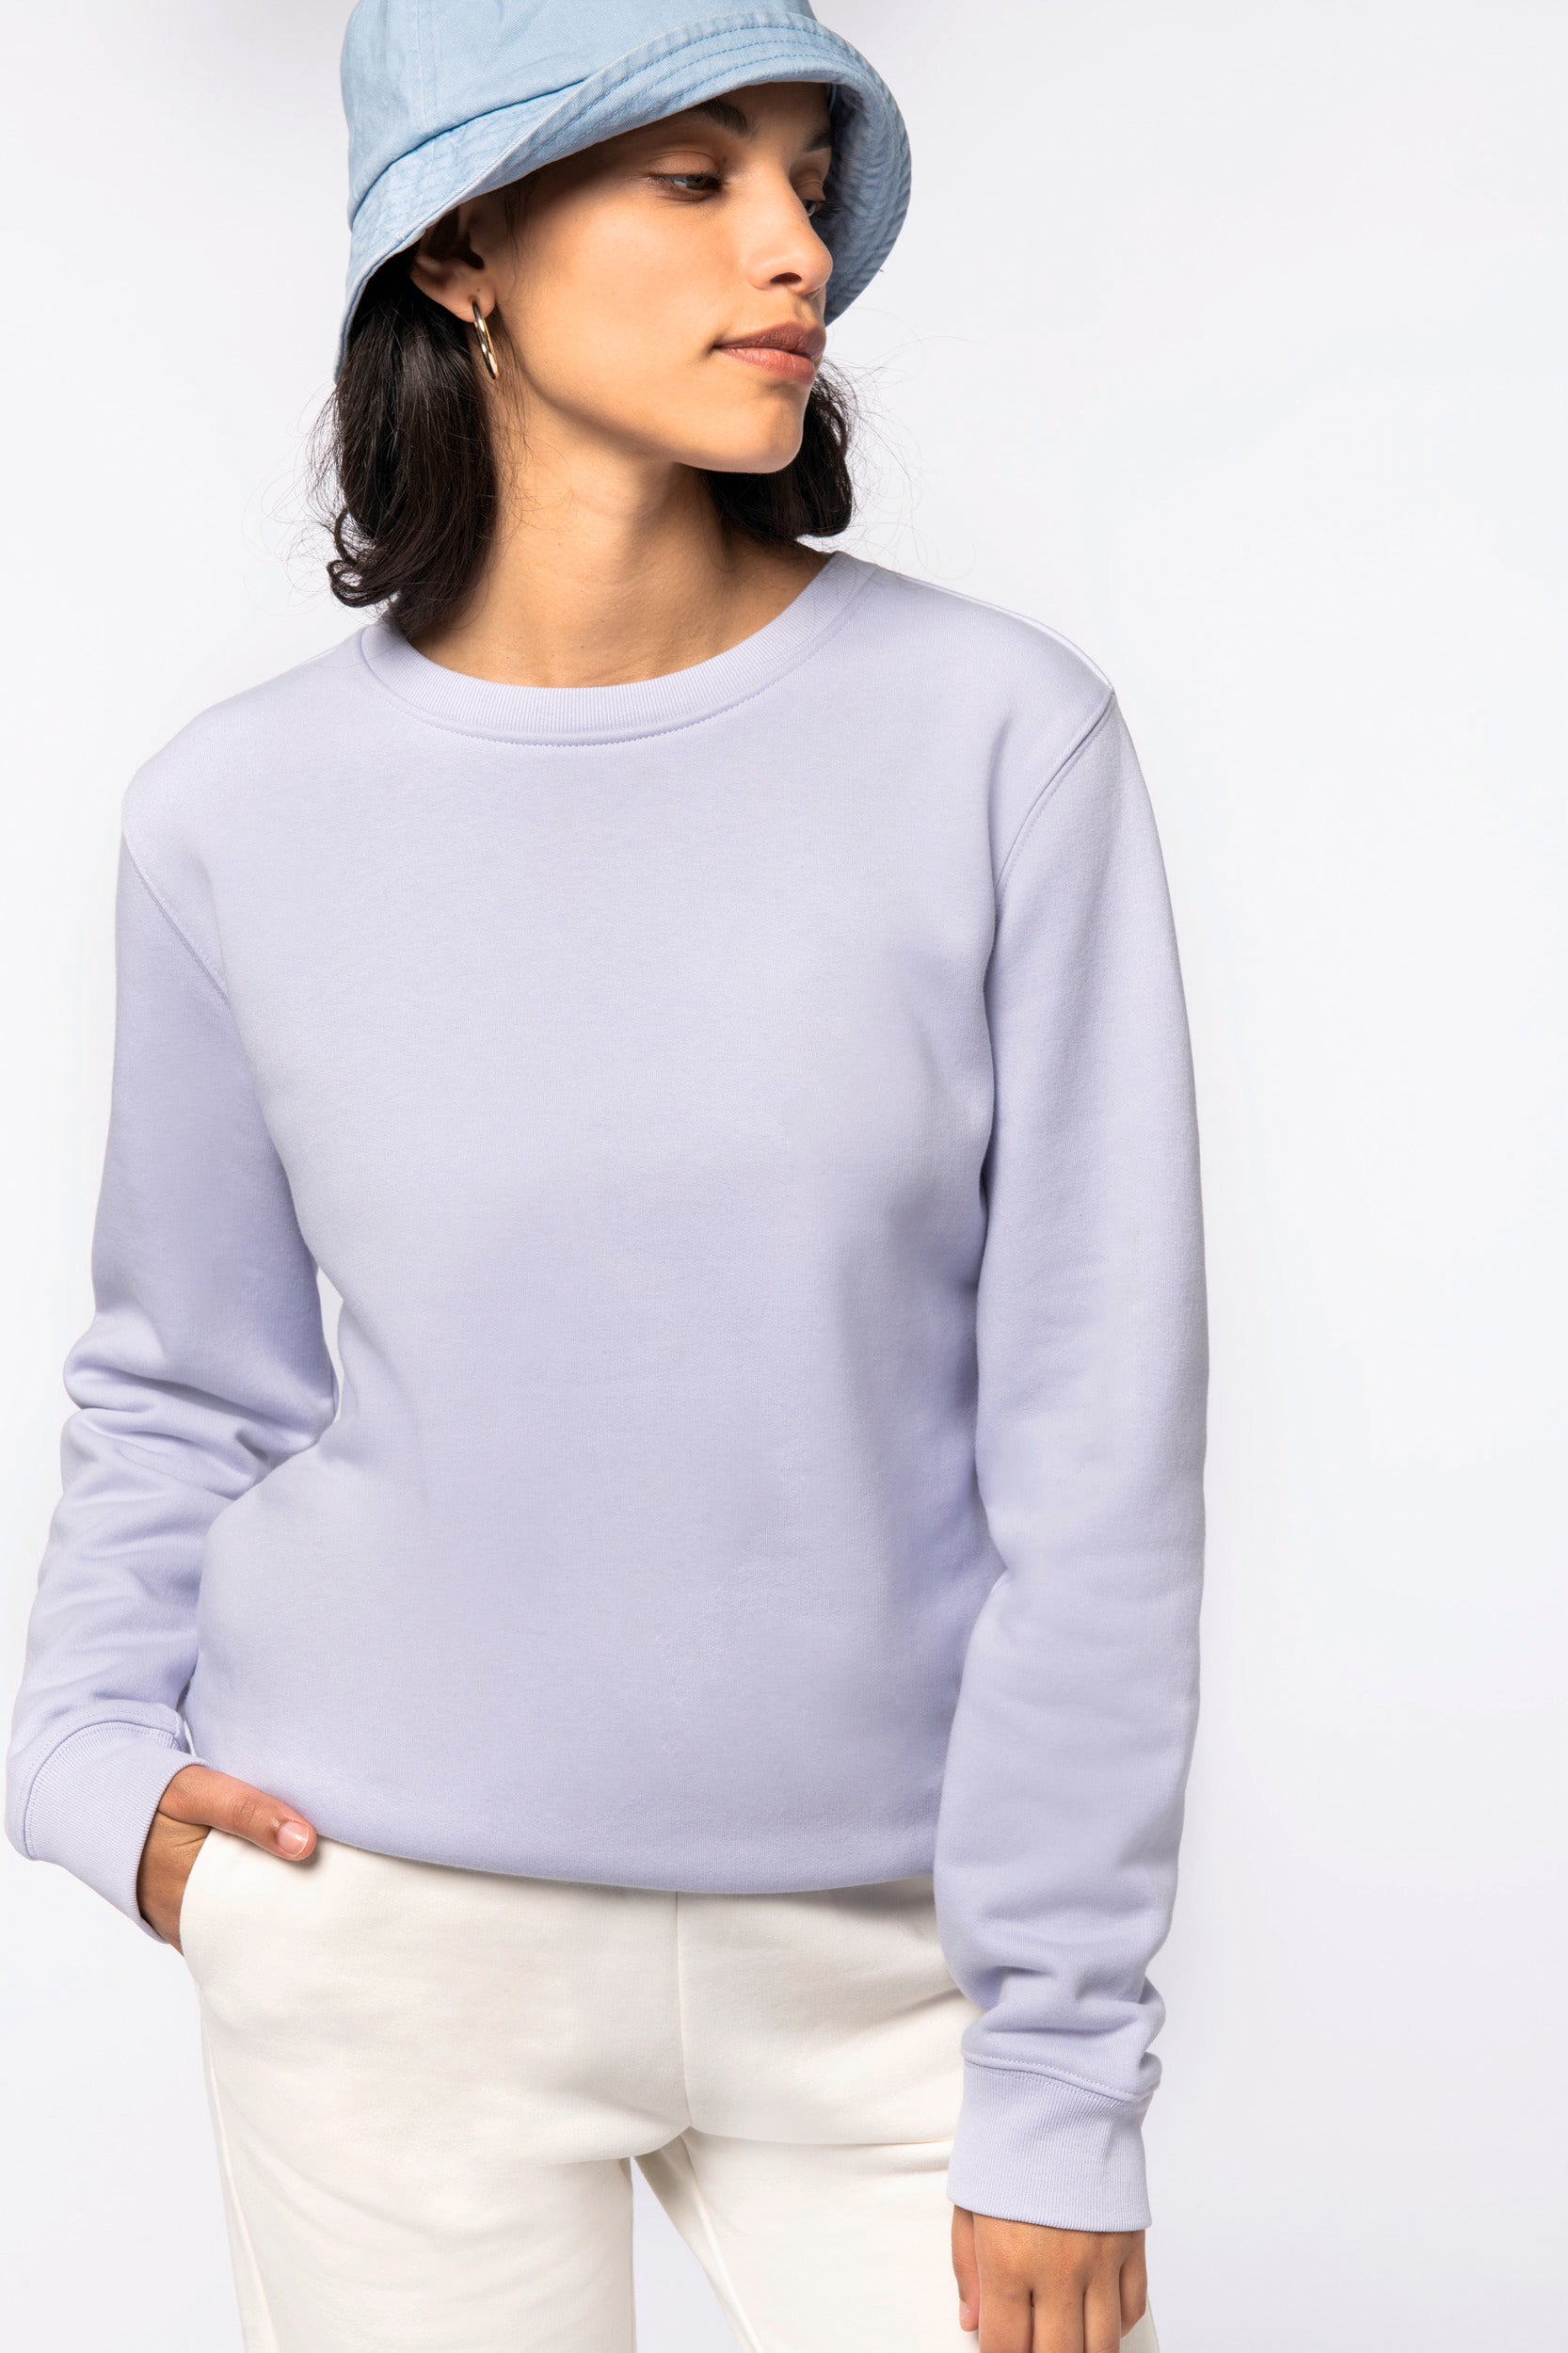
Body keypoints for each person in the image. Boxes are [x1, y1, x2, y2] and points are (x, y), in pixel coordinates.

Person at [5, 3, 1208, 2347]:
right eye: (694, 175)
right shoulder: (233, 815)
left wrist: (1062, 2058)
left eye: (805, 183)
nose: (796, 249)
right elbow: (182, 1376)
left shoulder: (998, 743)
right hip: (377, 1937)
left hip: (895, 1969)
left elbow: (1093, 1447)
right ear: (462, 248)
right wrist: (86, 1763)